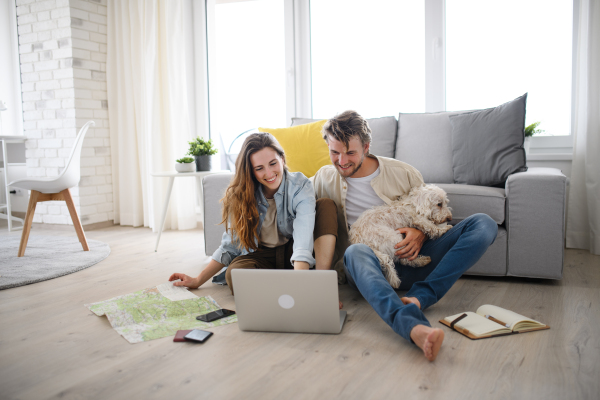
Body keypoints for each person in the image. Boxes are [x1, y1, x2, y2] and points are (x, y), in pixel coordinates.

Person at [312, 110, 498, 361]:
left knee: (483, 224)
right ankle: (413, 327)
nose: (342, 160)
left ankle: (422, 296)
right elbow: (291, 196)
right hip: (369, 268)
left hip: (417, 259)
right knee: (355, 251)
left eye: (350, 153)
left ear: (366, 147)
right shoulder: (323, 178)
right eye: (335, 152)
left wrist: (420, 232)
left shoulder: (404, 173)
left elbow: (429, 211)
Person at [169, 132, 338, 295]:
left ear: (283, 159)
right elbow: (230, 246)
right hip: (260, 255)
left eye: (273, 163)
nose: (269, 173)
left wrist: (310, 287)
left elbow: (302, 240)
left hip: (291, 251)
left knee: (325, 206)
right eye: (259, 168)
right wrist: (198, 279)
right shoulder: (240, 195)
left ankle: (315, 283)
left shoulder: (300, 186)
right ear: (250, 170)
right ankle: (288, 286)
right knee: (234, 274)